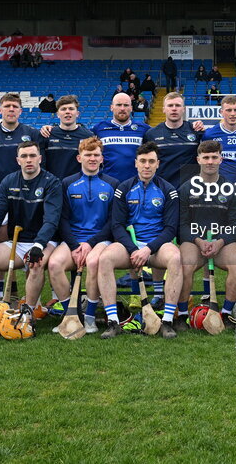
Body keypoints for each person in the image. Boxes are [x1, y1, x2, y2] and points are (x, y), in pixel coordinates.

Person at [96, 142, 182, 339]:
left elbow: (170, 229)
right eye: (143, 161)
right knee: (105, 259)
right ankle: (113, 322)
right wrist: (134, 249)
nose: (147, 165)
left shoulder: (168, 190)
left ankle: (167, 321)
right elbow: (117, 225)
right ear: (135, 163)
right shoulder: (123, 188)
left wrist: (147, 249)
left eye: (151, 161)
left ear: (158, 164)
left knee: (176, 258)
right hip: (130, 245)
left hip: (157, 246)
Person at [0, 141, 62, 316]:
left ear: (40, 158)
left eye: (33, 156)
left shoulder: (51, 182)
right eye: (24, 156)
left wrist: (39, 245)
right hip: (17, 242)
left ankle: (28, 314)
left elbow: (51, 220)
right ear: (17, 160)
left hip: (45, 242)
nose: (29, 160)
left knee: (35, 264)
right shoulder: (9, 181)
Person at [50, 137, 120, 334]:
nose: (92, 158)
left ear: (102, 158)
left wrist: (89, 243)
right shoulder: (67, 183)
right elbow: (62, 219)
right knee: (54, 265)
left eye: (96, 155)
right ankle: (70, 315)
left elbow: (112, 222)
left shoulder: (112, 184)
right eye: (88, 155)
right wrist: (74, 245)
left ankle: (89, 317)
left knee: (93, 263)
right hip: (73, 239)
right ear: (79, 158)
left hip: (100, 239)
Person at [176, 141, 236, 331]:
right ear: (198, 159)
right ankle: (182, 315)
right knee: (185, 265)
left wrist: (220, 241)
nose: (210, 161)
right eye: (206, 157)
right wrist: (199, 241)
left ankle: (225, 314)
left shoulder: (230, 188)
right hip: (194, 240)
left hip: (222, 241)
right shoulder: (185, 188)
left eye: (214, 157)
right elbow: (181, 225)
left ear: (221, 159)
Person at [0, 93, 42, 218]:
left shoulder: (32, 133)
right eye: (7, 106)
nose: (11, 109)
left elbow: (41, 166)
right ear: (0, 110)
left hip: (27, 192)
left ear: (20, 111)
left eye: (15, 106)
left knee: (26, 233)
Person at [143, 91, 205, 188]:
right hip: (163, 189)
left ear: (183, 109)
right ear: (163, 109)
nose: (174, 109)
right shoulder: (151, 134)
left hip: (190, 189)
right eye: (170, 105)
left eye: (178, 105)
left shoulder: (195, 130)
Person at [89, 93, 150, 183]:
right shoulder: (99, 128)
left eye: (126, 105)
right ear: (111, 107)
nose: (122, 108)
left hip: (135, 185)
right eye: (118, 105)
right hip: (107, 184)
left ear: (131, 108)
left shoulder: (144, 129)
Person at [39, 95, 96, 182]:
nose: (67, 112)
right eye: (63, 109)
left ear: (77, 113)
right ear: (58, 114)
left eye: (71, 109)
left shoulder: (88, 136)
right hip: (52, 187)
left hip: (78, 188)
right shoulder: (47, 134)